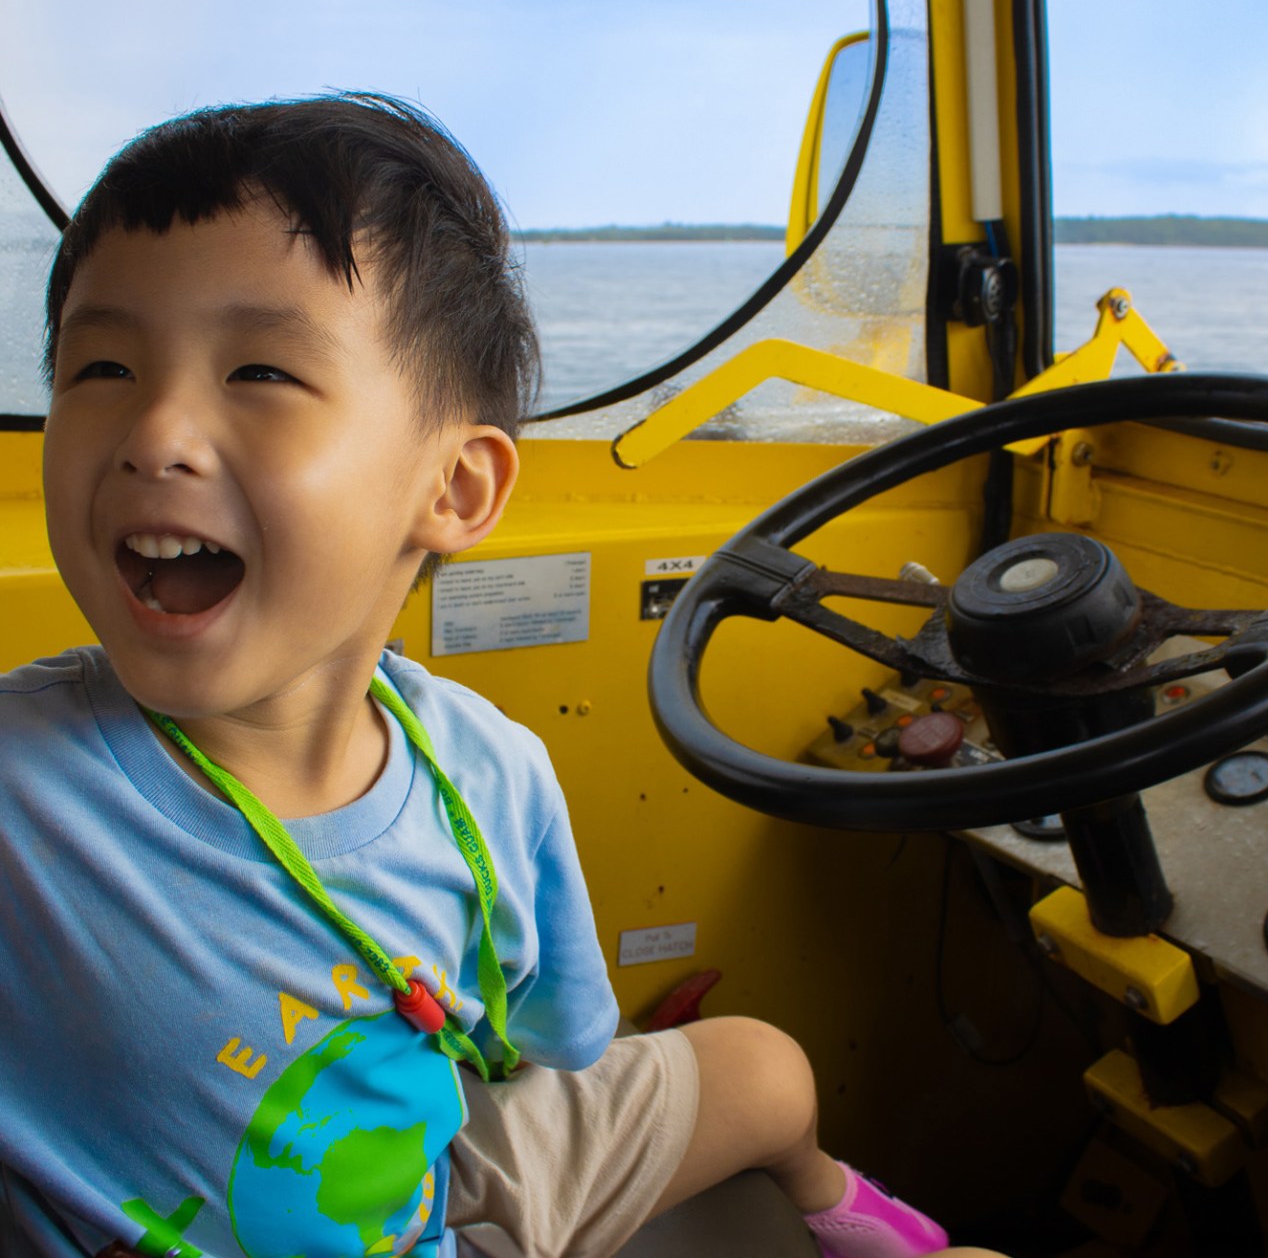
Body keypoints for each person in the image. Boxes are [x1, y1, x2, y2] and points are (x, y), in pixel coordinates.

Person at [0, 94, 1001, 1258]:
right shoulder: (24, 793)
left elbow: (555, 1044)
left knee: (767, 1070)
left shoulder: (487, 775)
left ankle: (845, 1215)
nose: (154, 432)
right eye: (103, 366)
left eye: (260, 372)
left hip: (435, 1187)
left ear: (455, 492)